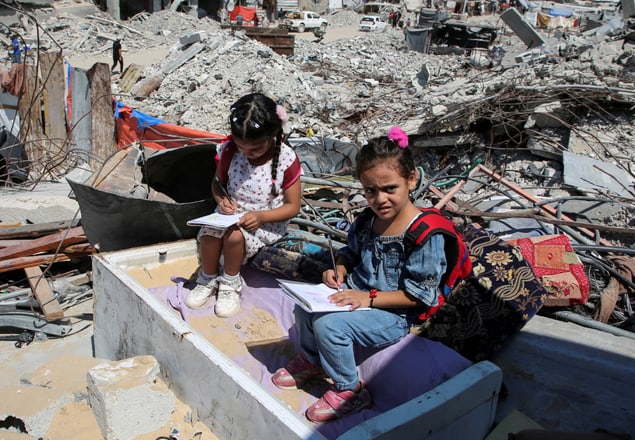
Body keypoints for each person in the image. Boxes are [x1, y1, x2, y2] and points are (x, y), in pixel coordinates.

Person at [271, 127, 450, 423]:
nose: (380, 199)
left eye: (390, 188)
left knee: (330, 326)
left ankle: (350, 390)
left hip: (392, 314)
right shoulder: (368, 221)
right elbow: (350, 253)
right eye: (370, 191)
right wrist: (339, 268)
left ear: (411, 179)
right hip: (356, 294)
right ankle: (312, 361)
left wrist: (368, 298)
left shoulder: (424, 235)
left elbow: (420, 295)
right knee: (304, 308)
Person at [185, 93, 303, 317]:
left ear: (274, 134)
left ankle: (230, 282)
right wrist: (221, 200)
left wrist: (261, 217)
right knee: (210, 234)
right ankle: (207, 278)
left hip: (264, 223)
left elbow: (292, 206)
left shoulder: (286, 159)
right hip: (230, 215)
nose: (247, 155)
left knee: (233, 236)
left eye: (255, 149)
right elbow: (217, 184)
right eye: (242, 148)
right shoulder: (229, 151)